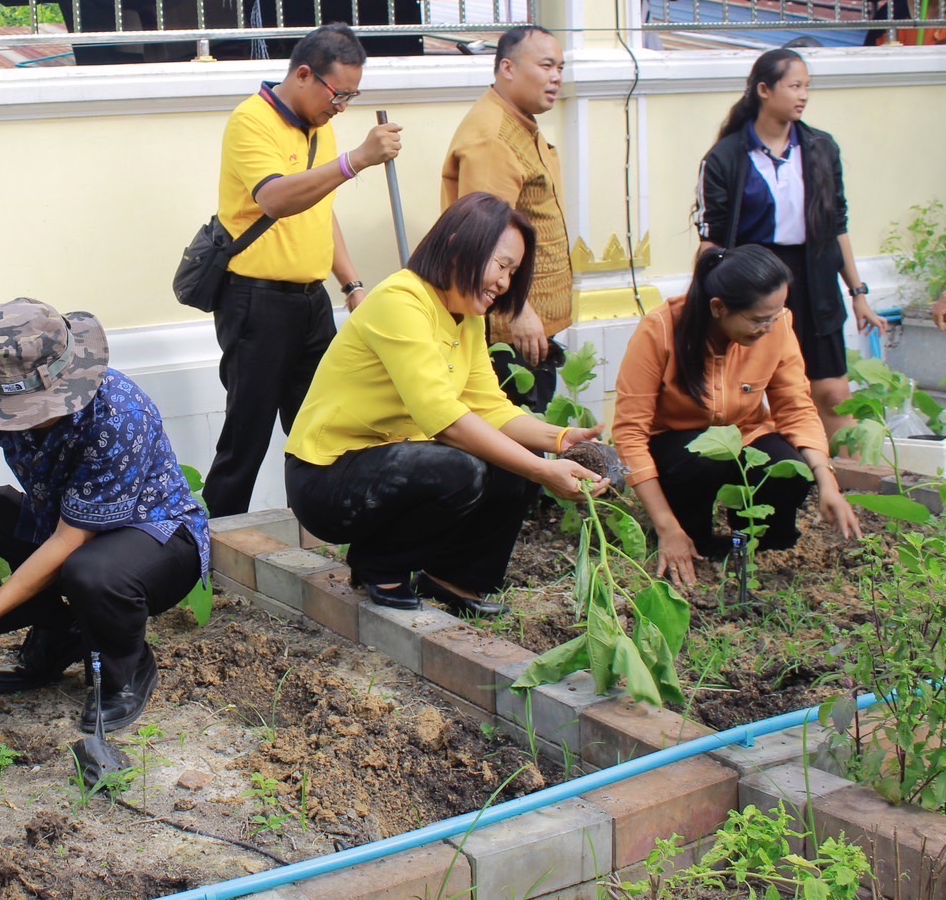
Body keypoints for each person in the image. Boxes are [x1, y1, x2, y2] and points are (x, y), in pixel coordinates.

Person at [0, 298, 208, 733]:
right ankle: (60, 632)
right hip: (61, 534)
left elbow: (72, 541)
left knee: (91, 571)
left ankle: (125, 670)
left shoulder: (116, 413)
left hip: (157, 540)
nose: (19, 422)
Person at [283, 194, 606, 618]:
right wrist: (544, 472)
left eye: (512, 272)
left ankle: (453, 579)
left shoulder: (467, 317)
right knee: (463, 469)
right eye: (501, 265)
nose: (505, 283)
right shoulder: (401, 299)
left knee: (516, 465)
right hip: (328, 480)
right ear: (458, 245)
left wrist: (561, 440)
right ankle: (379, 564)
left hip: (395, 467)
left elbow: (490, 407)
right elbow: (444, 420)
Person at [202, 22, 403, 518]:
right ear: (305, 74)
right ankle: (208, 552)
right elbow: (274, 197)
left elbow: (319, 207)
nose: (342, 107)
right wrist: (356, 160)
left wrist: (351, 284)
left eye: (352, 97)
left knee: (320, 428)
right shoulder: (251, 121)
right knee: (246, 435)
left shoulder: (320, 126)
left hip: (312, 302)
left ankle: (321, 528)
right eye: (338, 95)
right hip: (255, 299)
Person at [612, 246, 862, 590]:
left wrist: (826, 480)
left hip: (745, 433)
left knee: (791, 470)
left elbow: (796, 408)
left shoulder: (777, 326)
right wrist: (668, 528)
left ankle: (761, 548)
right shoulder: (660, 330)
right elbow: (629, 434)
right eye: (759, 320)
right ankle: (688, 536)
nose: (769, 327)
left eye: (777, 315)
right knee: (704, 461)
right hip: (677, 445)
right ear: (718, 308)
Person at [696, 49, 889, 441]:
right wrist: (705, 296)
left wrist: (858, 293)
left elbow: (838, 224)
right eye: (795, 86)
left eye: (807, 87)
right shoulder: (727, 157)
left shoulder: (820, 147)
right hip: (756, 278)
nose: (803, 95)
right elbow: (711, 237)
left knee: (833, 391)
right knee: (756, 394)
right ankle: (781, 476)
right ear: (764, 90)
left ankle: (843, 484)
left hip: (815, 276)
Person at [441, 25, 572, 412]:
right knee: (516, 453)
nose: (556, 77)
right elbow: (486, 241)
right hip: (508, 333)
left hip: (525, 328)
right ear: (507, 68)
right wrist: (516, 309)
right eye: (546, 65)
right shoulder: (494, 136)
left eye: (560, 67)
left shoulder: (520, 123)